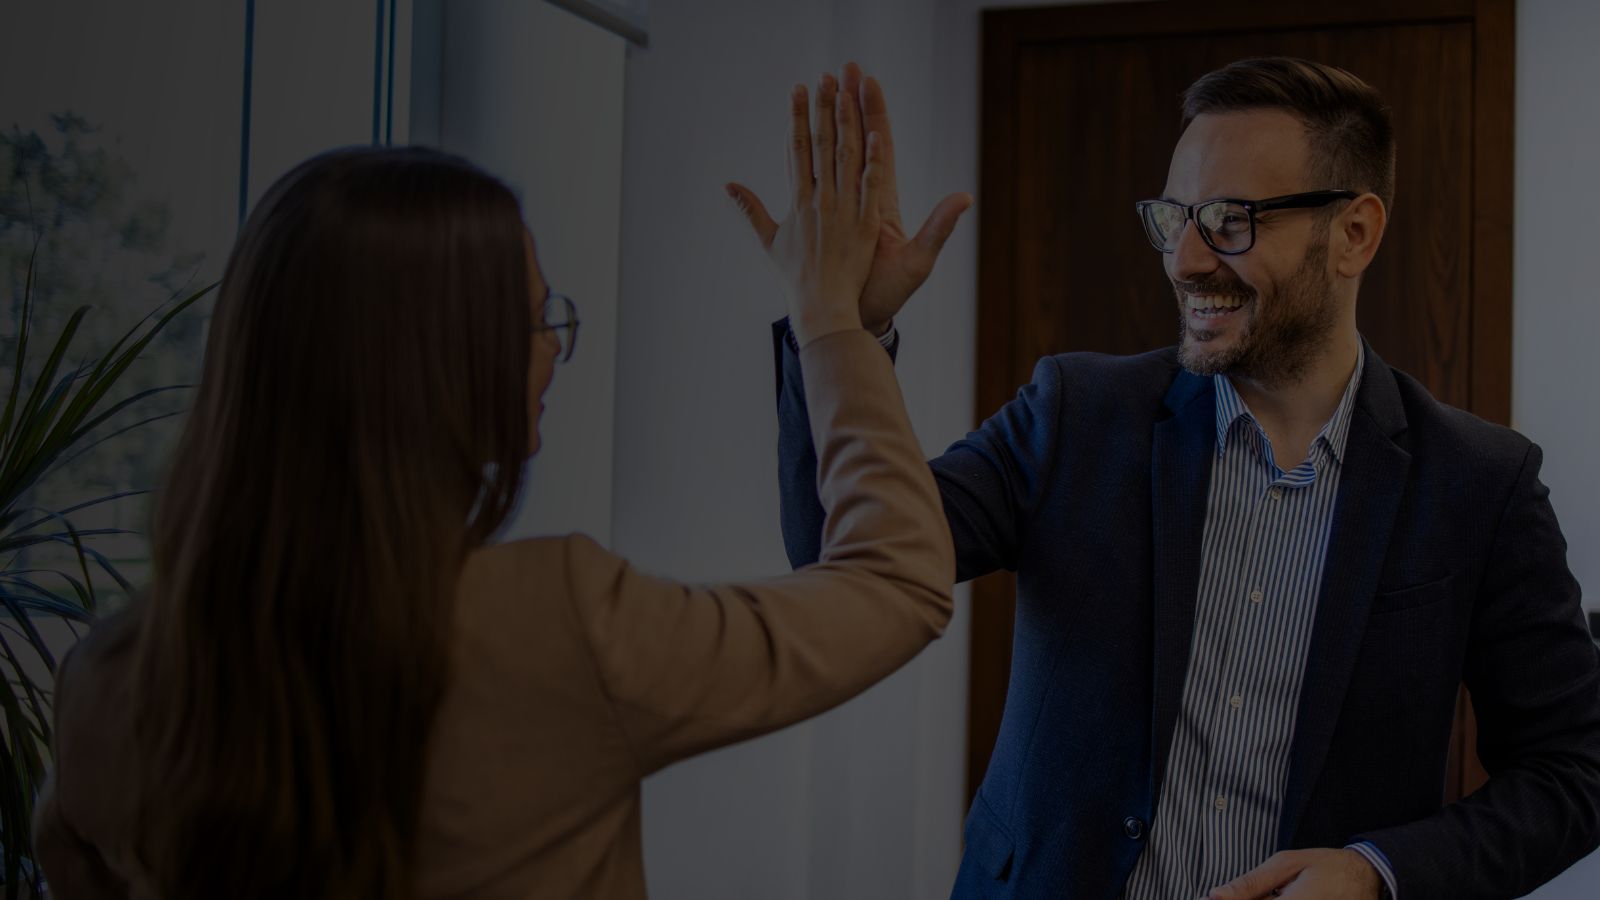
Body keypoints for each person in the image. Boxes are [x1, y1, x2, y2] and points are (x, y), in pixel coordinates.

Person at [732, 58, 1600, 899]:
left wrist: (1378, 872)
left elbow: (1576, 770)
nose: (1185, 260)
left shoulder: (1481, 485)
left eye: (1229, 219)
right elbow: (843, 550)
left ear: (1355, 234)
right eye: (1173, 216)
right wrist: (842, 326)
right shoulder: (1077, 413)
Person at [36, 124, 954, 897]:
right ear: (441, 371)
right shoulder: (558, 625)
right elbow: (898, 580)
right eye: (533, 318)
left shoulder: (104, 684)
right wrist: (830, 319)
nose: (555, 347)